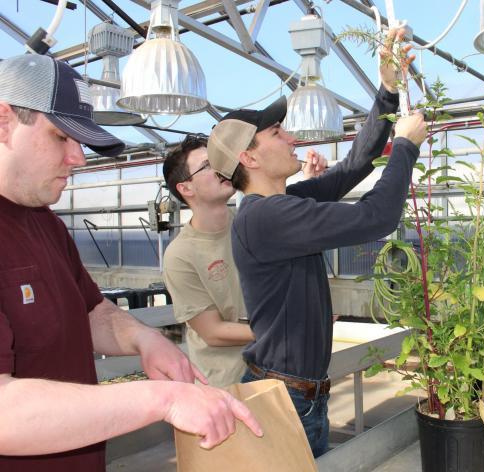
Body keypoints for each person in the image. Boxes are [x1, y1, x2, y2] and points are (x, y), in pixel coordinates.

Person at [0, 54, 261, 472]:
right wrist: (164, 398)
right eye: (60, 137)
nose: (80, 159)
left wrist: (145, 340)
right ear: (4, 121)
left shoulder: (40, 220)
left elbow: (90, 311)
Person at [206, 28, 426, 457]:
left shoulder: (280, 205)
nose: (291, 138)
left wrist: (386, 90)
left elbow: (353, 167)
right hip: (286, 399)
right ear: (248, 158)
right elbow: (377, 217)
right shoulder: (266, 218)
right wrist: (404, 147)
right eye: (276, 133)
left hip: (298, 394)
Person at [162, 133, 327, 387]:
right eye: (208, 165)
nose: (221, 168)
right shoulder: (180, 255)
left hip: (279, 373)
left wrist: (309, 183)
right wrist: (292, 327)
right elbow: (213, 332)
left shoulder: (250, 223)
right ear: (185, 188)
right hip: (230, 386)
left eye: (219, 160)